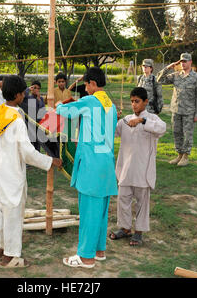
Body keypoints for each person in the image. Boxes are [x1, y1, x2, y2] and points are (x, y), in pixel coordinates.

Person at [0, 75, 62, 268]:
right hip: (13, 169)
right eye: (23, 92)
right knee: (14, 211)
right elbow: (27, 152)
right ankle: (11, 257)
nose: (25, 94)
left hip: (0, 167)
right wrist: (50, 161)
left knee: (1, 209)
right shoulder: (16, 120)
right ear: (17, 95)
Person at [57, 67, 118, 269]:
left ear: (92, 84)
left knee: (89, 211)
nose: (85, 87)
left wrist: (57, 104)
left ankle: (85, 257)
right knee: (100, 209)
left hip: (93, 163)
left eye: (86, 84)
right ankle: (99, 250)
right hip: (107, 162)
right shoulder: (110, 104)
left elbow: (63, 111)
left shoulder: (91, 101)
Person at [109, 87, 166, 246]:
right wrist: (113, 118)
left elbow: (162, 129)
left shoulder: (152, 119)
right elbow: (111, 131)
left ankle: (138, 232)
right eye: (132, 101)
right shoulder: (126, 120)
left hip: (143, 169)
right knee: (123, 199)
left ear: (145, 102)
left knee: (142, 202)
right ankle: (125, 228)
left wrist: (142, 121)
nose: (134, 105)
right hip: (126, 168)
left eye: (137, 101)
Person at [157, 53, 197, 166]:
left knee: (187, 134)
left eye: (185, 61)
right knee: (176, 133)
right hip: (176, 110)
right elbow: (160, 79)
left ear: (190, 62)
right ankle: (179, 155)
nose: (183, 63)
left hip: (189, 111)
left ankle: (185, 156)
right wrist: (169, 67)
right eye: (181, 61)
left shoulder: (196, 77)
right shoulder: (176, 75)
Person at [19, 80, 46, 151]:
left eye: (38, 88)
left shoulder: (41, 99)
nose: (36, 90)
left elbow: (42, 111)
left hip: (37, 126)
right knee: (29, 147)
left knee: (37, 148)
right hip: (28, 126)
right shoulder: (26, 98)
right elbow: (22, 95)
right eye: (35, 88)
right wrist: (28, 89)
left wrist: (39, 99)